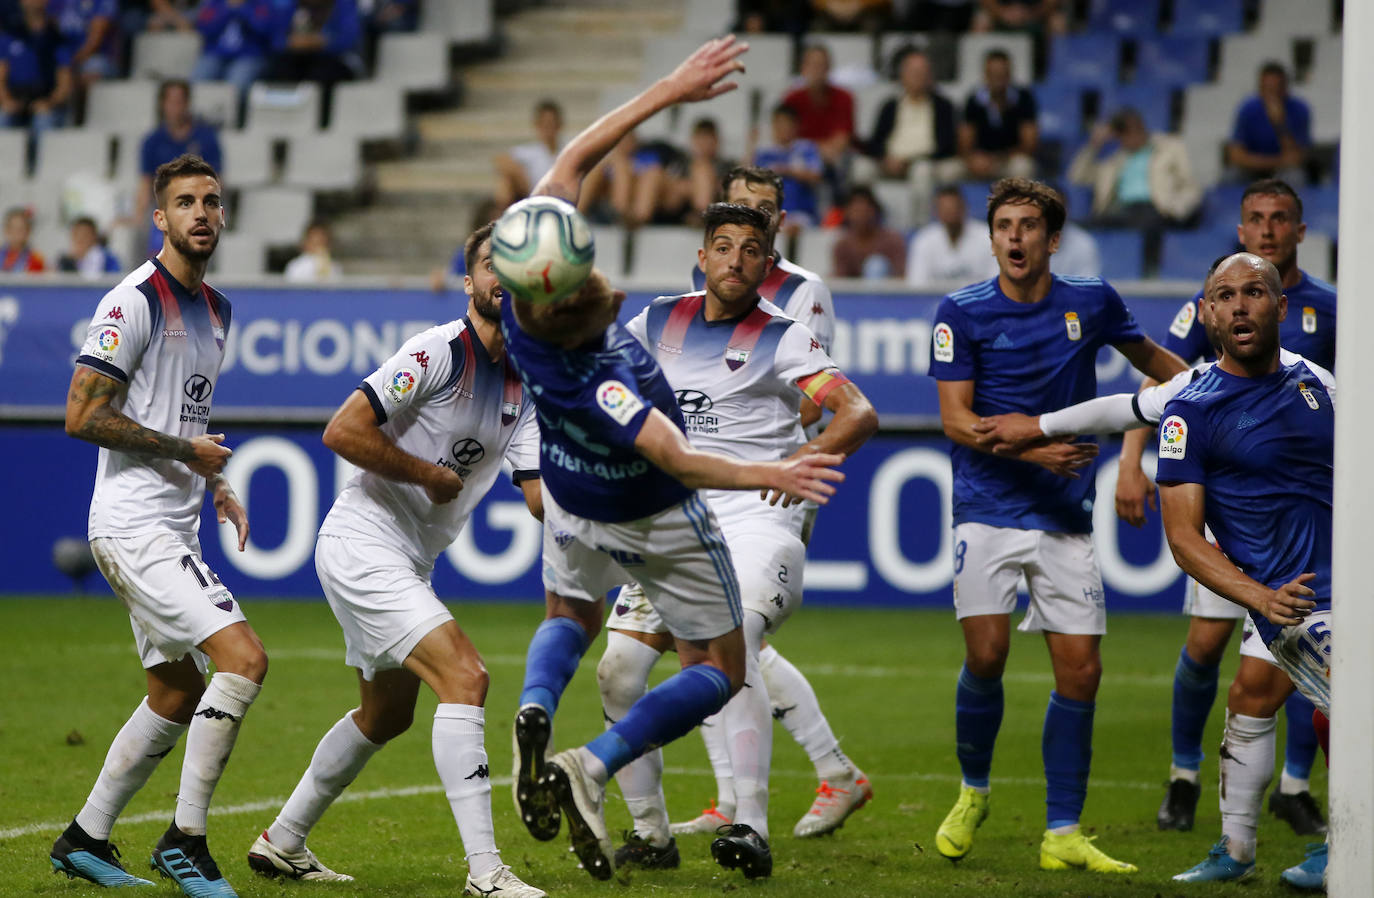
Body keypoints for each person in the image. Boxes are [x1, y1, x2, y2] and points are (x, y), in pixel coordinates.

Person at [503, 36, 846, 883]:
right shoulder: (609, 371)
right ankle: (595, 764)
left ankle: (536, 706)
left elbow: (577, 157)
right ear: (581, 299)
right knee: (724, 667)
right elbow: (681, 460)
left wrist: (669, 89)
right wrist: (776, 473)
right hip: (649, 508)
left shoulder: (523, 317)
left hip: (573, 506)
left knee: (571, 618)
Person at [247, 222, 546, 897]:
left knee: (387, 715)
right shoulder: (437, 351)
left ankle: (283, 840)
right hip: (364, 540)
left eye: (516, 265)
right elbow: (342, 429)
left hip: (410, 558)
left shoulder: (526, 384)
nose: (502, 276)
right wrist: (421, 472)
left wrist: (606, 495)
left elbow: (536, 498)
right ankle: (486, 874)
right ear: (469, 281)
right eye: (489, 264)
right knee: (466, 678)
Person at [598, 202, 878, 872]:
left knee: (735, 646)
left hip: (756, 516)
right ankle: (651, 833)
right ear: (702, 255)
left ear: (765, 262)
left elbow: (858, 411)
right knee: (618, 673)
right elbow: (607, 384)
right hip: (676, 520)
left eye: (750, 249)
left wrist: (800, 464)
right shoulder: (658, 319)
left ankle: (750, 825)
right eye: (721, 246)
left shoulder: (783, 337)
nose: (734, 259)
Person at [927, 177, 1186, 873]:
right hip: (985, 506)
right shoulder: (961, 311)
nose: (1015, 237)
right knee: (986, 656)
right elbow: (954, 419)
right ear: (992, 238)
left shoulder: (1091, 301)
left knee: (1082, 671)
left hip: (1064, 517)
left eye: (1028, 225)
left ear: (1052, 238)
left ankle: (1063, 831)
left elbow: (1162, 374)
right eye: (1004, 225)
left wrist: (1201, 401)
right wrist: (1036, 446)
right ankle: (973, 790)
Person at [48, 154, 265, 898]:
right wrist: (185, 452)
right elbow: (82, 416)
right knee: (243, 660)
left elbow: (185, 417)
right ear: (159, 217)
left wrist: (215, 480)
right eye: (184, 202)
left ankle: (84, 838)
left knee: (175, 691)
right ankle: (186, 842)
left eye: (210, 200)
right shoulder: (133, 301)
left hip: (175, 526)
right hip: (133, 526)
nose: (200, 213)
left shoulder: (218, 311)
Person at [1117, 178, 1333, 838]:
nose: (1267, 230)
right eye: (1256, 219)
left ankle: (1295, 789)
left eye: (1281, 219)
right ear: (1240, 229)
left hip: (1301, 519)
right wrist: (1132, 460)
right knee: (1209, 645)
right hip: (1233, 517)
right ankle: (1184, 778)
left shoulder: (1331, 311)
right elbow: (1163, 382)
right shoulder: (1206, 305)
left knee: (1298, 668)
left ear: (1300, 231)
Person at [1155, 252, 1333, 889]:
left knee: (1252, 698)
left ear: (1281, 306)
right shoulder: (1191, 411)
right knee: (1346, 707)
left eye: (1253, 292)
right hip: (1295, 603)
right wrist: (1262, 597)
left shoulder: (1318, 383)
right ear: (1207, 314)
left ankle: (1235, 849)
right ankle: (1350, 843)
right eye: (1224, 295)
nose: (1239, 305)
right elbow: (1183, 540)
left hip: (1345, 585)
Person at [690, 165, 836, 357]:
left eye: (765, 209)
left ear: (781, 220)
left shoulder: (804, 288)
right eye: (742, 206)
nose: (753, 216)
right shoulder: (704, 271)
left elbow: (811, 375)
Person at [861, 47, 960, 226]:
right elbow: (874, 142)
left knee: (921, 171)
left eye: (923, 72)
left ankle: (919, 225)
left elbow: (948, 145)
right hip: (890, 162)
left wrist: (911, 161)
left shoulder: (943, 106)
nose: (919, 77)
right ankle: (865, 222)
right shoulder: (890, 106)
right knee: (860, 169)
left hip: (927, 162)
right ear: (902, 76)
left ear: (931, 76)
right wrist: (885, 159)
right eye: (914, 72)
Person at [1068, 108, 1202, 232]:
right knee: (1074, 228)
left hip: (1156, 209)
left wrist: (1176, 210)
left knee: (1140, 221)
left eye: (1131, 131)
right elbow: (1076, 177)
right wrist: (1094, 145)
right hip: (1120, 211)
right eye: (1122, 133)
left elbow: (1190, 185)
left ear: (1140, 128)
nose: (1129, 137)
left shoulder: (1169, 148)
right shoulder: (1114, 161)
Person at [134, 81, 224, 259]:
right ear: (162, 104)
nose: (176, 107)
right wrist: (138, 215)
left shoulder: (206, 138)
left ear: (188, 104)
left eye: (180, 101)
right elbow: (146, 183)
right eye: (171, 102)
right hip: (165, 207)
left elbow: (216, 180)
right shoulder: (152, 141)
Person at [263, 0, 363, 125]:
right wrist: (291, 43)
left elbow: (348, 39)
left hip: (337, 60)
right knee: (281, 69)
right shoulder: (292, 6)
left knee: (323, 73)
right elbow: (276, 40)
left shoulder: (343, 4)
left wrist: (320, 42)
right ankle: (282, 121)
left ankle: (323, 123)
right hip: (301, 59)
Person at [782, 44, 855, 195]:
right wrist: (813, 150)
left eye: (822, 65)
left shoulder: (844, 97)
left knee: (838, 162)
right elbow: (785, 137)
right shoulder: (792, 98)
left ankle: (838, 207)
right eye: (813, 65)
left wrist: (811, 150)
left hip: (831, 158)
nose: (817, 70)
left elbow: (842, 141)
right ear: (803, 68)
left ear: (829, 69)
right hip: (800, 156)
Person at [958, 49, 1037, 181]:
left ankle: (1020, 202)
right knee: (950, 171)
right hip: (980, 162)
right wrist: (973, 159)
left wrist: (997, 159)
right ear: (985, 74)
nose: (997, 78)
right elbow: (964, 143)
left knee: (1023, 166)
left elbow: (1030, 144)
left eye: (1002, 73)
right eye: (993, 73)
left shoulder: (1024, 98)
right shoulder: (973, 100)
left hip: (1009, 160)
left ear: (1009, 74)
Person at [1226, 62, 1311, 182]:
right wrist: (1274, 161)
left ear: (1285, 88)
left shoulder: (1299, 109)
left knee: (1295, 177)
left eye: (1276, 88)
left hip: (1282, 170)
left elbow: (1296, 158)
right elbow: (1236, 155)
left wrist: (1280, 124)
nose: (1272, 94)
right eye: (1267, 88)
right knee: (1230, 176)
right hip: (1253, 168)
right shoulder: (1248, 108)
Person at [0, 0, 72, 138]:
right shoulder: (9, 35)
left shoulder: (56, 39)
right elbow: (1, 77)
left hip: (44, 98)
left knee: (43, 121)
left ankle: (41, 159)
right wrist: (6, 100)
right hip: (15, 97)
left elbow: (65, 83)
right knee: (3, 118)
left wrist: (49, 102)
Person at [190, 0, 276, 113]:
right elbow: (205, 29)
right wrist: (227, 10)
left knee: (236, 83)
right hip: (216, 54)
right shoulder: (214, 3)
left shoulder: (261, 4)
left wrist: (242, 10)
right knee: (198, 77)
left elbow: (264, 30)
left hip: (248, 55)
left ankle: (231, 121)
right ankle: (197, 117)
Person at [906, 186, 998, 287]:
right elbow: (916, 285)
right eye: (945, 209)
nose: (950, 213)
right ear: (936, 212)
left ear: (964, 208)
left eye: (954, 208)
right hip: (935, 301)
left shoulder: (987, 237)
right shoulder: (924, 240)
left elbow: (995, 281)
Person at [752, 103, 823, 231]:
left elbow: (816, 176)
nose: (782, 128)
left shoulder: (807, 149)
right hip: (770, 213)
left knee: (792, 229)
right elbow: (751, 183)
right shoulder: (764, 154)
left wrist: (788, 170)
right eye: (778, 123)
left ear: (796, 125)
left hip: (802, 213)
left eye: (786, 124)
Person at [493, 99, 563, 208]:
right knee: (506, 180)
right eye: (544, 124)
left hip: (562, 197)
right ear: (537, 126)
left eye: (551, 123)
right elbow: (500, 160)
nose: (548, 129)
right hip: (532, 196)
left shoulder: (567, 148)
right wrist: (524, 181)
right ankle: (501, 218)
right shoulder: (530, 151)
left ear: (559, 125)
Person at [832, 185, 906, 279]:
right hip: (854, 293)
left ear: (874, 211)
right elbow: (840, 281)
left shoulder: (893, 241)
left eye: (865, 210)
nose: (861, 216)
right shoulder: (842, 246)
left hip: (888, 291)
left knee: (876, 265)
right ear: (847, 213)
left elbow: (901, 276)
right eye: (856, 211)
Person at [1, 206, 47, 272]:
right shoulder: (1, 255)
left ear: (28, 232)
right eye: (12, 229)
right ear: (6, 230)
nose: (15, 234)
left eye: (20, 229)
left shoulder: (36, 259)